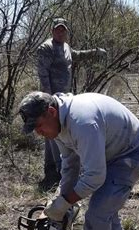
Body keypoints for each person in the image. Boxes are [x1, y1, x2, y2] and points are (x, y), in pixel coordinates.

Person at [18, 90, 139, 230]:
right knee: (105, 210)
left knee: (98, 211)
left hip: (130, 154)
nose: (38, 133)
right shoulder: (58, 125)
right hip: (110, 152)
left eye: (38, 126)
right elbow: (70, 165)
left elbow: (95, 176)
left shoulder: (82, 122)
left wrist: (65, 203)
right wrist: (61, 201)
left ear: (51, 111)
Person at [37, 18, 106, 187]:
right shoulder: (46, 48)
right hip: (52, 99)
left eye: (63, 30)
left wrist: (95, 52)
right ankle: (55, 171)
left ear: (66, 31)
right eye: (57, 30)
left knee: (56, 135)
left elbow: (76, 56)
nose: (60, 32)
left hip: (64, 98)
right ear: (52, 31)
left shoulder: (66, 47)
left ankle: (56, 170)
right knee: (53, 134)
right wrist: (48, 100)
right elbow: (43, 74)